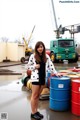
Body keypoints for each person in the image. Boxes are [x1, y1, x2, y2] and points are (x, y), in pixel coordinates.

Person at [27, 41, 61, 120]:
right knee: (34, 95)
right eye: (38, 47)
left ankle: (36, 111)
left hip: (43, 78)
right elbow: (28, 67)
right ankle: (33, 113)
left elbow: (51, 66)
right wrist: (35, 66)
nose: (40, 48)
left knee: (38, 95)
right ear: (36, 48)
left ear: (43, 48)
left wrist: (56, 73)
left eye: (41, 47)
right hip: (35, 78)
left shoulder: (46, 56)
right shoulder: (33, 56)